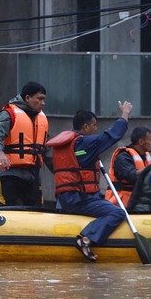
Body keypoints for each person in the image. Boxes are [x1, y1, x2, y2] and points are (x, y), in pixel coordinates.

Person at [46, 102, 133, 262]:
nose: (95, 130)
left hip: (65, 199)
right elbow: (112, 135)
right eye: (94, 126)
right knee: (117, 212)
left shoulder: (68, 145)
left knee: (103, 202)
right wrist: (125, 114)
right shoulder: (85, 143)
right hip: (78, 199)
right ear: (85, 127)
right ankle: (85, 239)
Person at [0, 81, 49, 206]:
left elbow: (46, 148)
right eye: (40, 99)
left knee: (37, 211)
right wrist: (0, 154)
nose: (43, 103)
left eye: (44, 99)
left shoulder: (41, 119)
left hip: (33, 176)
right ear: (27, 98)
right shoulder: (9, 114)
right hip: (11, 174)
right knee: (12, 210)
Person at [104, 126, 151, 207]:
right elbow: (131, 176)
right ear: (141, 141)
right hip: (120, 203)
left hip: (137, 201)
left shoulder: (146, 156)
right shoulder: (123, 156)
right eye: (150, 140)